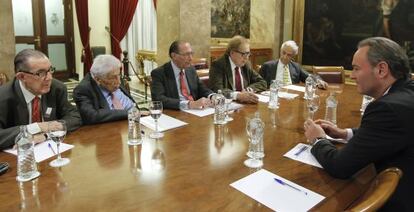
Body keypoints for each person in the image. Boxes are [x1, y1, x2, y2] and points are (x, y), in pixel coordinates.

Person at [304, 37, 414, 211]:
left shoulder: (387, 108)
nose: (352, 75)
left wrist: (318, 139)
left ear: (381, 69)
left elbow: (340, 166)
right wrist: (344, 133)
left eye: (356, 69)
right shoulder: (406, 91)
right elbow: (385, 133)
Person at [0, 49, 82, 150]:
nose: (49, 78)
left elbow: (74, 117)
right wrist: (36, 127)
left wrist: (47, 132)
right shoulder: (3, 96)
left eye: (50, 70)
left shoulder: (57, 88)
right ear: (21, 76)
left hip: (50, 149)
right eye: (40, 73)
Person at [73, 54, 140, 125]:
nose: (119, 81)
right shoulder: (83, 90)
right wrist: (129, 113)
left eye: (119, 75)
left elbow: (135, 107)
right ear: (98, 79)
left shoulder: (115, 76)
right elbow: (91, 116)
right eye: (113, 77)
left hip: (136, 122)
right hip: (112, 129)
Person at [151, 40, 213, 110]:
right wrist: (189, 104)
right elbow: (158, 99)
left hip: (196, 110)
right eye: (186, 55)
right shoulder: (159, 73)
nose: (191, 58)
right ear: (174, 55)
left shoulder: (191, 69)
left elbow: (202, 89)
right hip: (175, 112)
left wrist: (212, 96)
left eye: (191, 54)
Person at [209, 35, 266, 104]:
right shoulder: (218, 65)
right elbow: (218, 90)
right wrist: (238, 95)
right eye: (243, 54)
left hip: (244, 106)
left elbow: (262, 82)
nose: (246, 58)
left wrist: (248, 90)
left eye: (248, 54)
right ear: (232, 52)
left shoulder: (246, 64)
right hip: (228, 107)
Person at [259, 40, 328, 88]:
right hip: (273, 96)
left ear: (293, 56)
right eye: (283, 53)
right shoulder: (267, 66)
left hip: (291, 97)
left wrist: (319, 81)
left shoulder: (296, 67)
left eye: (289, 55)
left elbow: (309, 76)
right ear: (280, 51)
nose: (285, 57)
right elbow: (258, 83)